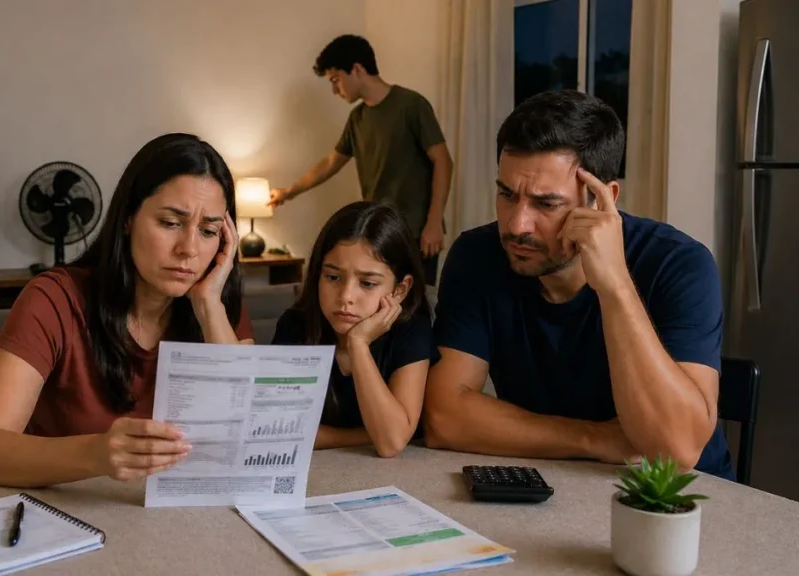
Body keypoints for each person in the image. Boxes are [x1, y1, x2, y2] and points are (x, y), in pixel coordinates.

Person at [423, 90, 735, 480]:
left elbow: (677, 448)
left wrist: (615, 285)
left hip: (686, 503)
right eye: (507, 195)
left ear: (603, 201)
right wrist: (596, 440)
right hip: (560, 484)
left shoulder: (679, 264)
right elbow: (443, 416)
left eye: (546, 204)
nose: (517, 225)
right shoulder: (477, 256)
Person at [0, 133, 254, 488]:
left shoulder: (217, 303)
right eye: (170, 223)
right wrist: (96, 454)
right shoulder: (55, 299)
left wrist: (208, 308)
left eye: (208, 231)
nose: (188, 249)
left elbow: (250, 441)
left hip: (175, 521)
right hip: (66, 516)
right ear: (128, 218)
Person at [269, 34, 453, 286]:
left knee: (415, 309)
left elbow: (443, 161)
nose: (335, 90)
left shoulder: (411, 104)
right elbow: (330, 163)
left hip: (415, 233)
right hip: (376, 233)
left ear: (356, 69)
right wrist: (288, 192)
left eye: (336, 80)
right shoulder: (357, 118)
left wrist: (434, 223)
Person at [271, 201, 437, 457]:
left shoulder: (411, 328)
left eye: (367, 283)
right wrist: (364, 434)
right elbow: (278, 431)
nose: (346, 296)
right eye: (333, 277)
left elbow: (390, 443)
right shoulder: (295, 326)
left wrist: (358, 344)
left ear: (400, 290)